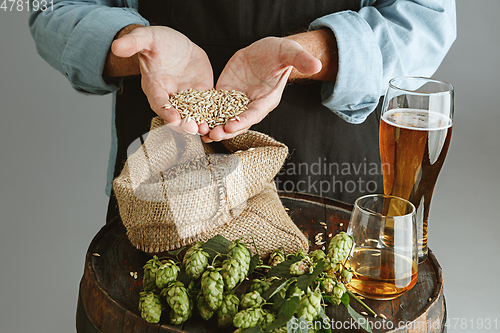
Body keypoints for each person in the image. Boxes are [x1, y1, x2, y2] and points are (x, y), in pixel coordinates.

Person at [29, 0, 456, 215]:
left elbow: (425, 19)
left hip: (331, 185)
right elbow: (52, 9)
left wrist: (305, 54)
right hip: (165, 189)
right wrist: (137, 46)